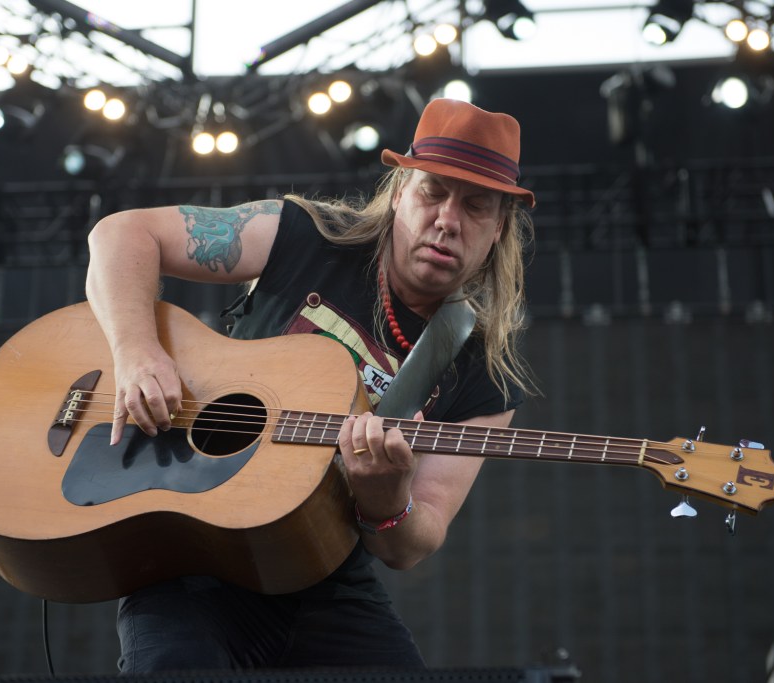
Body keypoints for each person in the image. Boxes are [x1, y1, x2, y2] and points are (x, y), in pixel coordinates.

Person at [85, 97, 536, 672]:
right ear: (399, 192)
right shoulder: (300, 235)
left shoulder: (485, 374)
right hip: (194, 548)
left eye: (475, 207)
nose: (448, 219)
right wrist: (137, 352)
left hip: (326, 576)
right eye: (431, 192)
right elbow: (122, 234)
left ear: (498, 229)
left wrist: (388, 498)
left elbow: (416, 540)